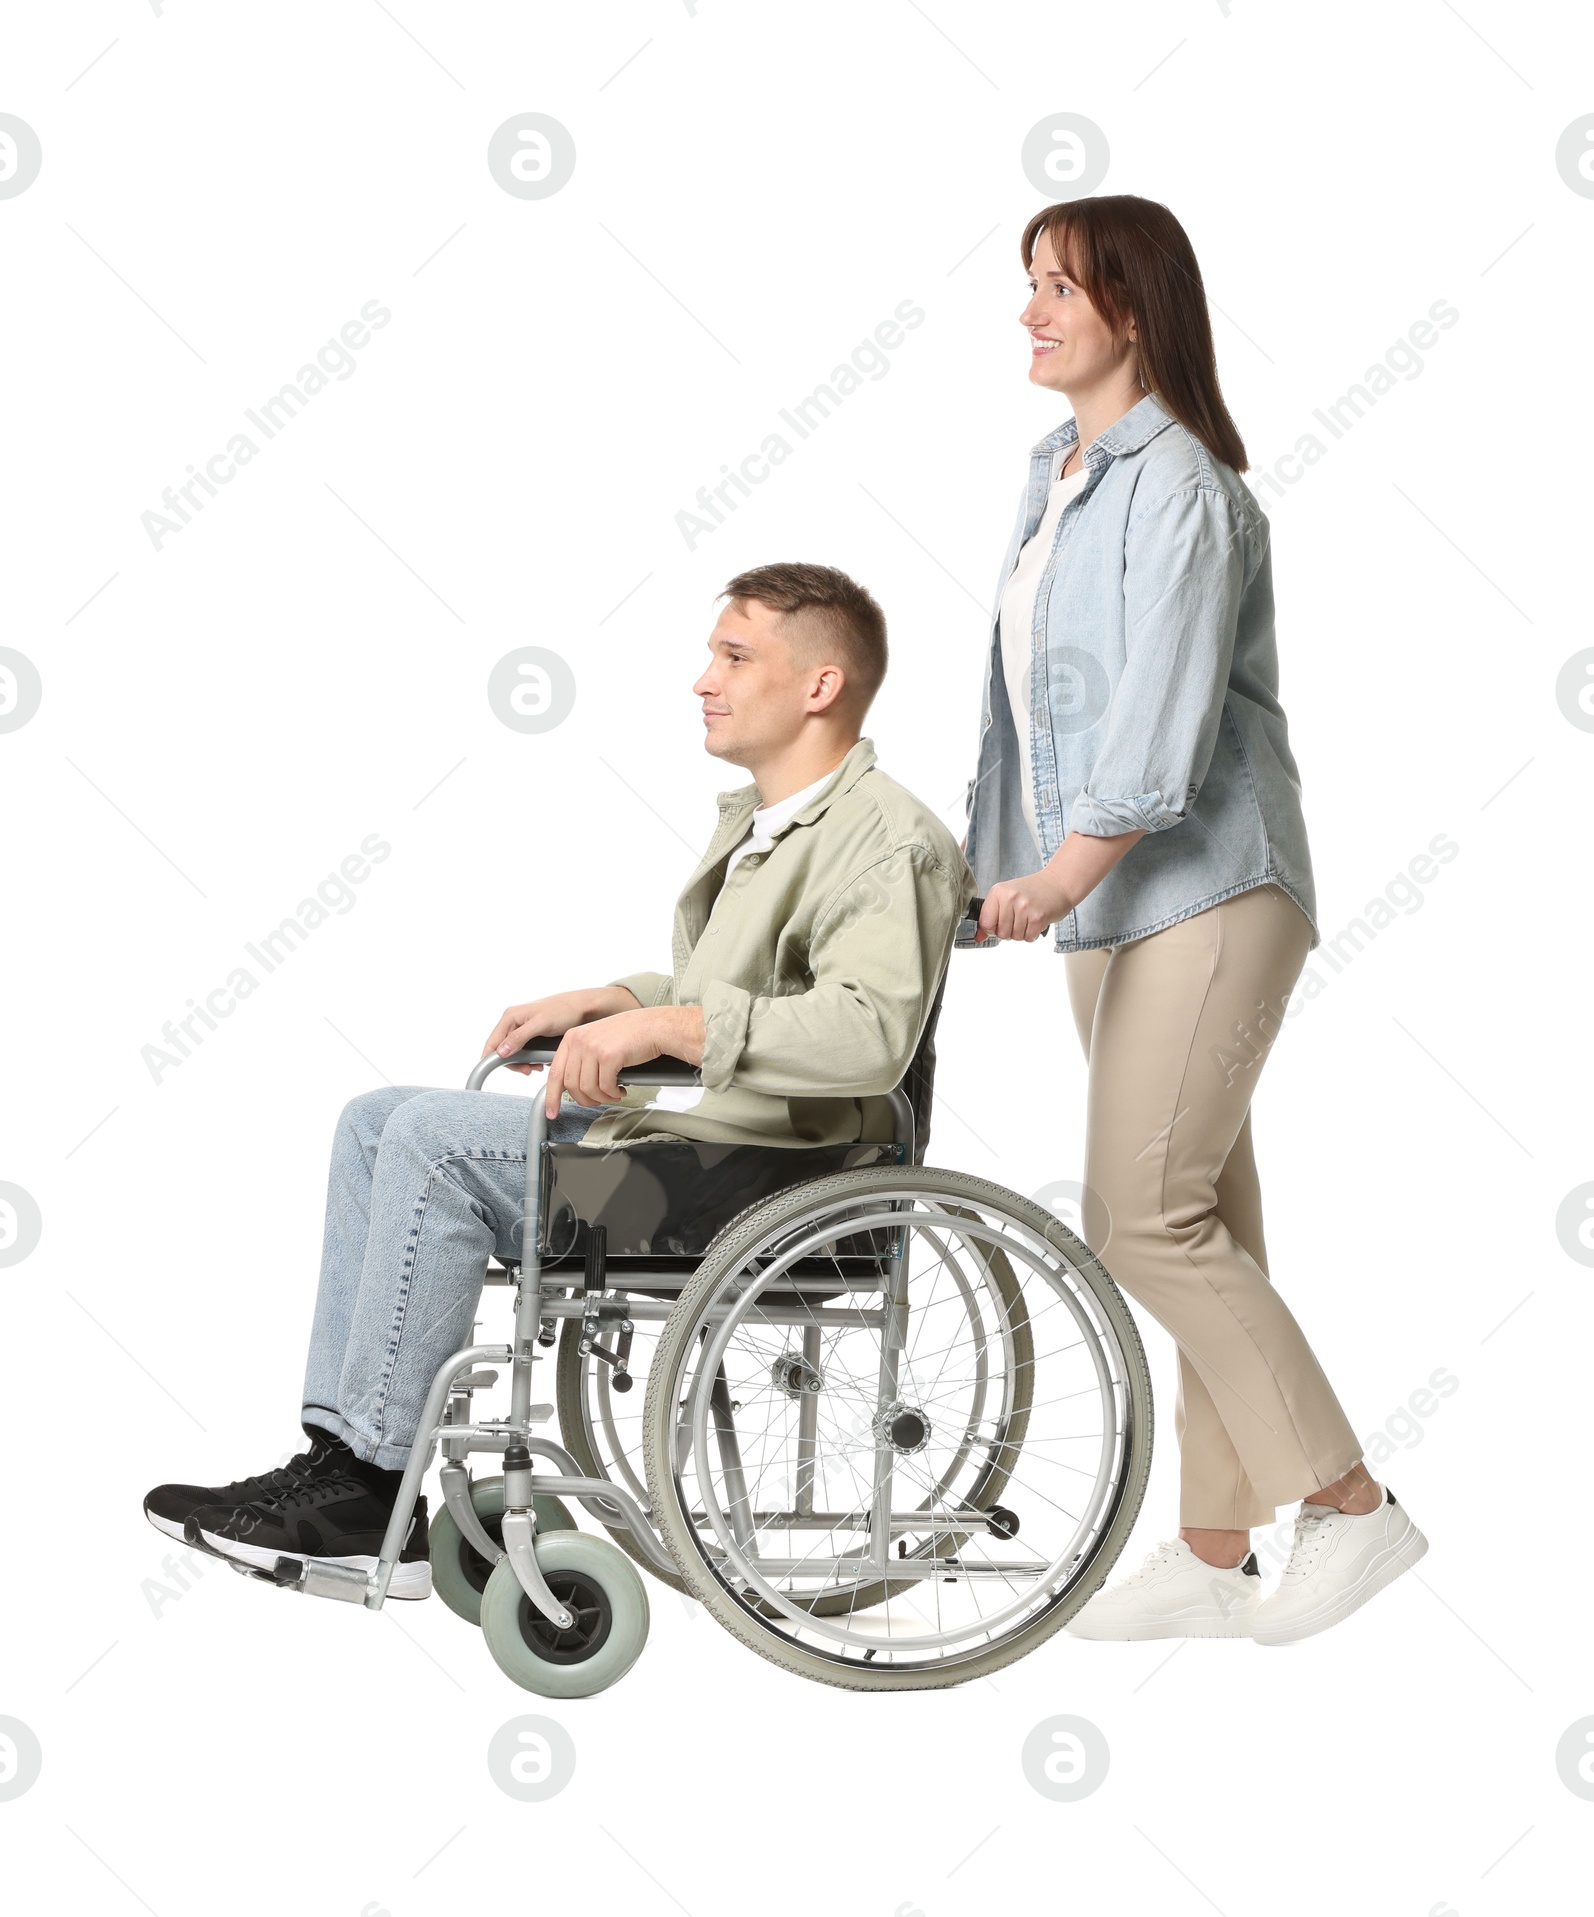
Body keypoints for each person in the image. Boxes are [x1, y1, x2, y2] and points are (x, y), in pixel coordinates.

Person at [144, 562, 973, 1594]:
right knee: (376, 1118)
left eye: (733, 655)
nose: (701, 680)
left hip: (780, 1179)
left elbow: (864, 1035)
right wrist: (618, 997)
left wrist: (670, 1019)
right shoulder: (776, 824)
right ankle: (343, 1460)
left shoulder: (887, 841)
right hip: (720, 1150)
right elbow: (745, 992)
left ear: (819, 686)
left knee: (433, 1141)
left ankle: (373, 1483)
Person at [959, 195, 1427, 1646]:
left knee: (1140, 1216)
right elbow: (1028, 710)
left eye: (1061, 288)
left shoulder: (1185, 491)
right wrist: (1011, 869)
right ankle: (1217, 1545)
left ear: (1137, 308)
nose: (1031, 310)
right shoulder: (1061, 472)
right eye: (1026, 283)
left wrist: (1060, 873)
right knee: (1207, 1208)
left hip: (1205, 884)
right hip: (1110, 902)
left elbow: (1155, 725)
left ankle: (1350, 1505)